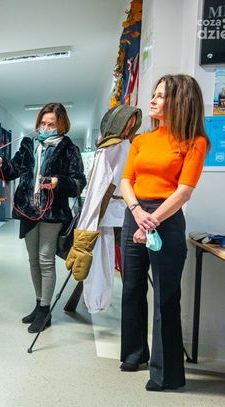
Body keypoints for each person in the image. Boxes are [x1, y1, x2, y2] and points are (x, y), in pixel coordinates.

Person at [119, 74, 210, 391]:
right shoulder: (141, 141)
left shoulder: (195, 142)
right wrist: (137, 212)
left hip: (166, 219)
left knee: (165, 297)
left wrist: (152, 220)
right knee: (131, 288)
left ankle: (165, 374)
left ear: (180, 101)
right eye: (154, 94)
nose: (153, 100)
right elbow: (126, 181)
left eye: (160, 95)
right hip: (135, 213)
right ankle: (134, 354)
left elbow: (184, 192)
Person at [0, 103, 86, 333]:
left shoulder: (69, 149)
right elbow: (12, 170)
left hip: (52, 213)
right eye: (42, 123)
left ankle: (45, 311)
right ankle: (38, 304)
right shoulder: (28, 144)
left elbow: (78, 182)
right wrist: (0, 165)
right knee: (33, 260)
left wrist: (58, 182)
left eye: (51, 124)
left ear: (61, 125)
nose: (45, 128)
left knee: (45, 259)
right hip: (28, 210)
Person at [65, 105, 142, 313]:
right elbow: (97, 189)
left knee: (111, 258)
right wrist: (88, 224)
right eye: (126, 123)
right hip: (111, 212)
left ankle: (104, 303)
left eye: (132, 124)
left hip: (126, 211)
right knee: (100, 256)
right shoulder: (111, 148)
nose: (129, 128)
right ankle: (98, 302)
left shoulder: (129, 145)